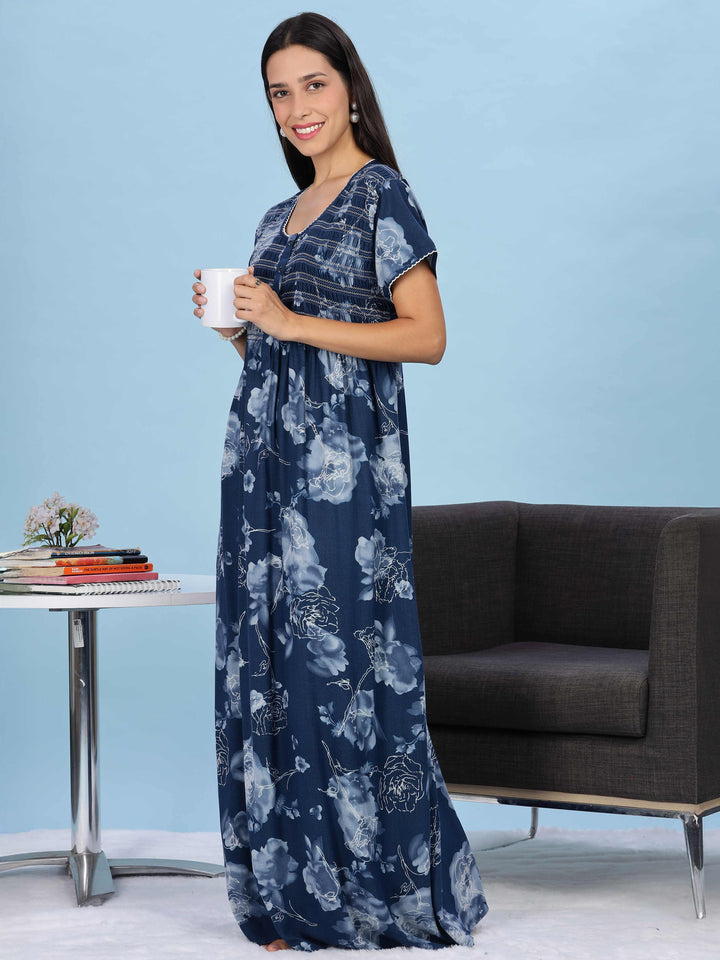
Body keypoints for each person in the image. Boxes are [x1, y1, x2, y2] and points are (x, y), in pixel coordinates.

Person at [192, 12, 489, 952]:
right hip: (260, 475)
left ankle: (367, 890)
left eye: (313, 85)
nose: (297, 108)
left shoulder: (380, 195)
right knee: (267, 671)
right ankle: (287, 894)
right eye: (279, 93)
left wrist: (285, 319)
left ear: (350, 89)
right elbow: (279, 356)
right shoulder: (274, 219)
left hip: (344, 484)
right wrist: (240, 330)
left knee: (341, 671)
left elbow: (427, 337)